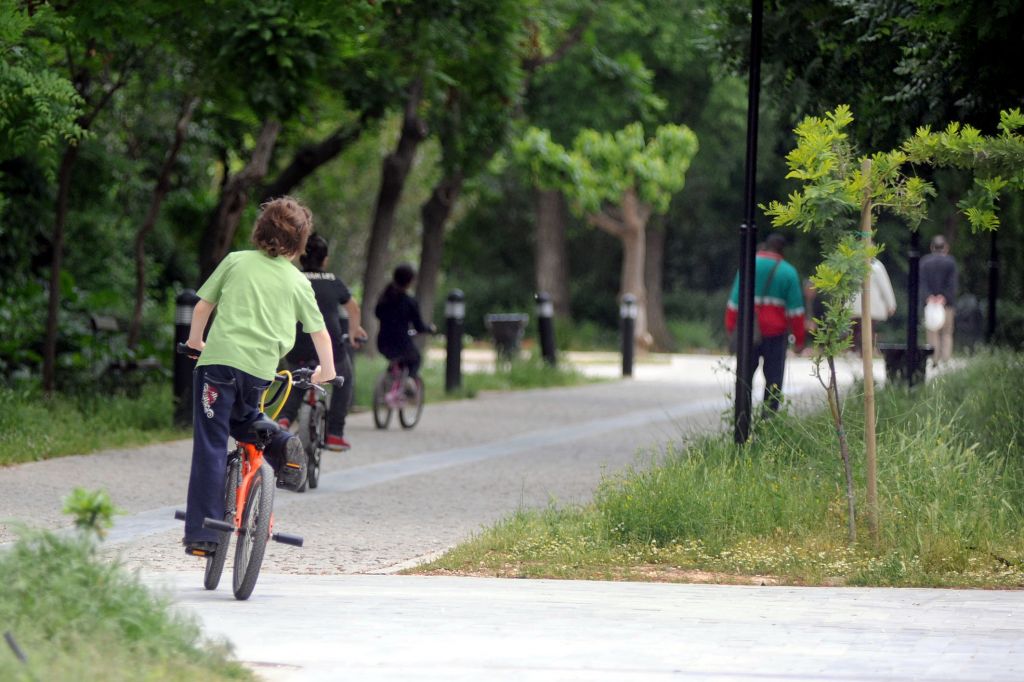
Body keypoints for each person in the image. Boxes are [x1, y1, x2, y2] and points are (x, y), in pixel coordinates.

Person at [182, 197, 336, 557]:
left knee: (211, 441)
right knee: (244, 416)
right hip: (259, 371)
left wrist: (195, 342)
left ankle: (204, 536)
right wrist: (326, 371)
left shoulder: (236, 261)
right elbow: (321, 333)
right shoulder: (298, 282)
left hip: (218, 365)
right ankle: (281, 442)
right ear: (300, 244)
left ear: (260, 230)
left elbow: (203, 305)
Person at [277, 233, 366, 451]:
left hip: (297, 345)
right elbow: (353, 307)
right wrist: (354, 331)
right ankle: (335, 432)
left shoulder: (291, 278)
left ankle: (284, 420)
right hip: (330, 347)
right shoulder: (333, 281)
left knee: (297, 378)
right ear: (325, 260)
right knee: (345, 379)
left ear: (300, 258)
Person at [724, 233, 806, 412]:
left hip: (748, 332)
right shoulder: (788, 272)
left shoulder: (747, 265)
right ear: (782, 250)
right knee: (774, 380)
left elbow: (733, 303)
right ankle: (769, 422)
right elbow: (796, 312)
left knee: (744, 378)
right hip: (775, 335)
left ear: (766, 246)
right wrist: (799, 341)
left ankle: (742, 418)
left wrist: (732, 329)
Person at [374, 263, 434, 381]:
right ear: (410, 281)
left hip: (382, 342)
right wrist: (430, 329)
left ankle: (387, 383)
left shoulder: (384, 298)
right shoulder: (410, 302)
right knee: (416, 358)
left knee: (396, 359)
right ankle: (409, 381)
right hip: (401, 343)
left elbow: (377, 314)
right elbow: (419, 326)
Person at [919, 235, 958, 364]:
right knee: (946, 333)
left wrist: (929, 297)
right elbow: (952, 283)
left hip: (930, 304)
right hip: (946, 304)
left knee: (932, 332)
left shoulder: (924, 262)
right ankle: (945, 360)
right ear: (946, 248)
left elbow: (922, 282)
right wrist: (944, 297)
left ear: (932, 247)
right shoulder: (950, 262)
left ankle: (934, 359)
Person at [848, 258, 897, 357]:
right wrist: (891, 304)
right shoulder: (877, 267)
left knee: (856, 328)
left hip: (854, 305)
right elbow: (885, 286)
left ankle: (854, 351)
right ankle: (866, 352)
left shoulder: (852, 264)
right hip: (871, 305)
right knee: (869, 329)